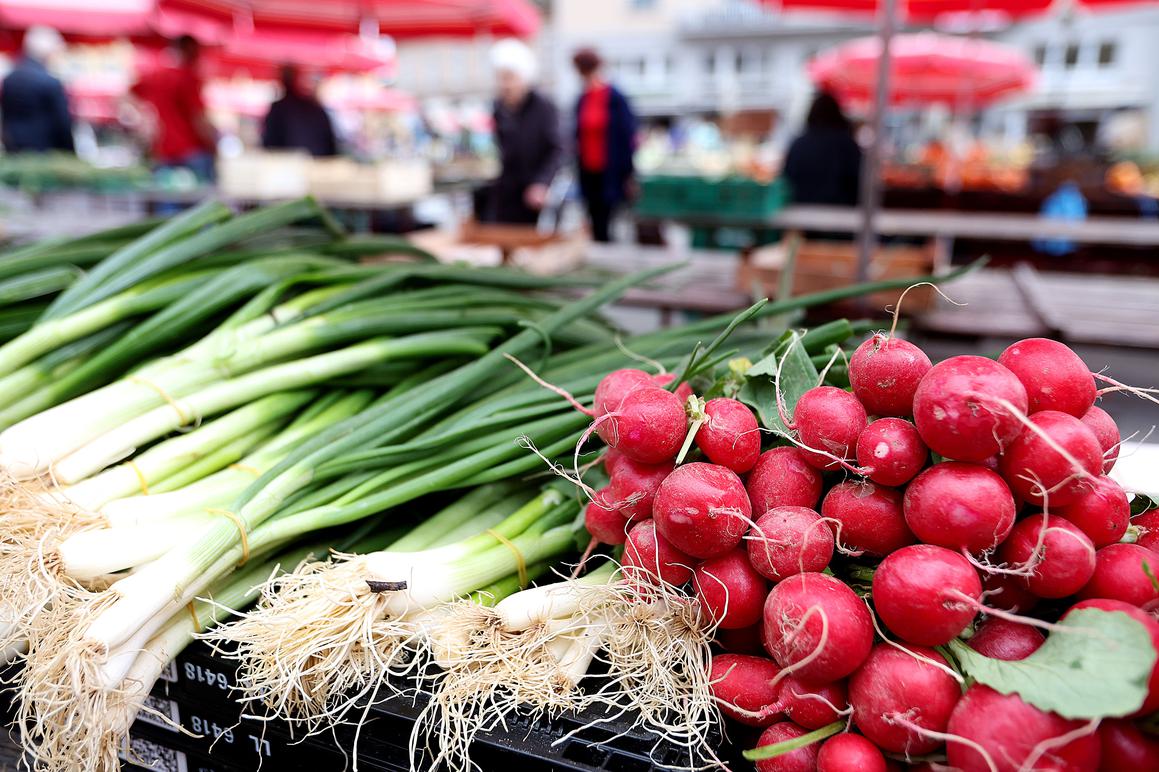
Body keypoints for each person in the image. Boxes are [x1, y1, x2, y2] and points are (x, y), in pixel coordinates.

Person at [484, 39, 563, 225]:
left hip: (535, 192)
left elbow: (558, 148)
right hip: (507, 190)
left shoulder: (543, 106)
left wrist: (542, 183)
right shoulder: (499, 108)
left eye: (509, 77)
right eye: (500, 78)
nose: (505, 85)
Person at [571, 48, 637, 243]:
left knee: (607, 219)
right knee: (593, 218)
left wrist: (628, 172)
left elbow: (627, 136)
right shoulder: (582, 99)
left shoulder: (614, 98)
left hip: (611, 170)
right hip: (588, 170)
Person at [130, 35, 216, 182]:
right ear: (189, 50)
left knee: (167, 199)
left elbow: (127, 95)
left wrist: (145, 118)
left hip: (164, 152)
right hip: (193, 151)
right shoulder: (188, 77)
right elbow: (198, 118)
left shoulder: (155, 75)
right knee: (200, 200)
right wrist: (213, 145)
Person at [1, 26, 74, 154]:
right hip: (45, 152)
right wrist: (70, 153)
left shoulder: (9, 79)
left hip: (13, 149)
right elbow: (62, 124)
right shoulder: (49, 82)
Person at [783, 92, 862, 208]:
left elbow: (787, 179)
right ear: (837, 114)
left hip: (802, 212)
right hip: (841, 213)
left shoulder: (799, 143)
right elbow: (858, 180)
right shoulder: (847, 144)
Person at [261, 65, 338, 157]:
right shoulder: (314, 108)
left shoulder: (280, 108)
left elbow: (268, 141)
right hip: (313, 160)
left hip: (290, 161)